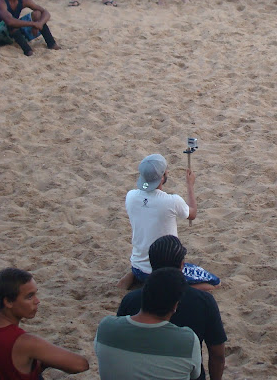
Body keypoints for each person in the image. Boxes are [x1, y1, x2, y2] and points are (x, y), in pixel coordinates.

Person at [118, 235, 227, 380]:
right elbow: (217, 355)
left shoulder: (130, 300)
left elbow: (120, 346)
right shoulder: (204, 301)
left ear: (151, 264)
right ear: (182, 265)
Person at [0, 268, 89, 378]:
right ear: (8, 302)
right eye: (29, 296)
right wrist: (43, 362)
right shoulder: (26, 342)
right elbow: (81, 364)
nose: (37, 301)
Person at [96, 267, 202, 380]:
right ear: (175, 306)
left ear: (143, 295)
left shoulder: (106, 328)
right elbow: (195, 375)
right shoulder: (188, 341)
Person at [117, 153, 198, 289]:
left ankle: (135, 275)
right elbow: (192, 213)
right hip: (163, 270)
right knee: (213, 282)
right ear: (162, 178)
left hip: (138, 265)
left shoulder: (130, 196)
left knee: (141, 266)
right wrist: (190, 185)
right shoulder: (171, 201)